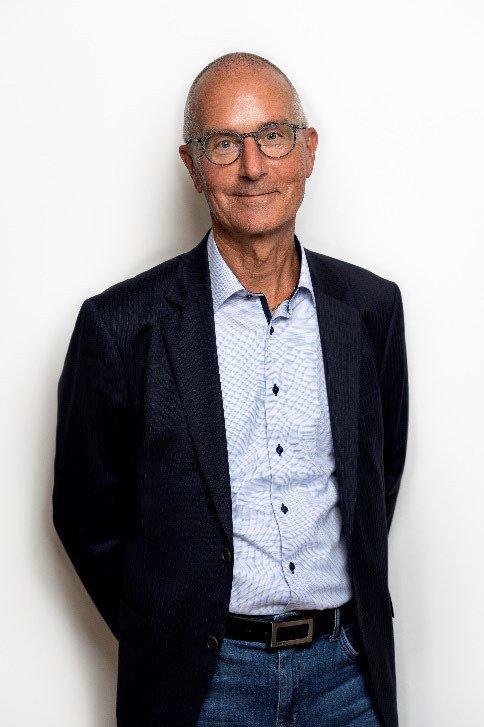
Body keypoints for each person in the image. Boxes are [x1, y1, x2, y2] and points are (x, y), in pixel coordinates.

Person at [52, 52, 408, 727]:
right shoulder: (119, 327)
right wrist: (167, 625)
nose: (253, 167)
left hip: (347, 675)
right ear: (192, 165)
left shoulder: (370, 309)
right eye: (223, 143)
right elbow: (84, 515)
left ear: (308, 150)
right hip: (200, 685)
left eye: (273, 135)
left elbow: (377, 477)